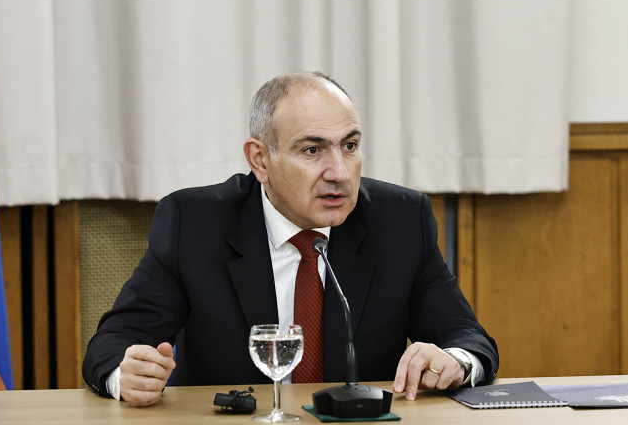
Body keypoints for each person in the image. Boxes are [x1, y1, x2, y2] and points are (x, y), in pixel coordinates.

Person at [83, 71, 499, 407]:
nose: (339, 173)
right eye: (312, 150)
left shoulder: (400, 220)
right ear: (260, 160)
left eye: (349, 146)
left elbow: (468, 339)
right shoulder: (195, 224)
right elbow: (114, 342)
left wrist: (455, 361)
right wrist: (126, 373)